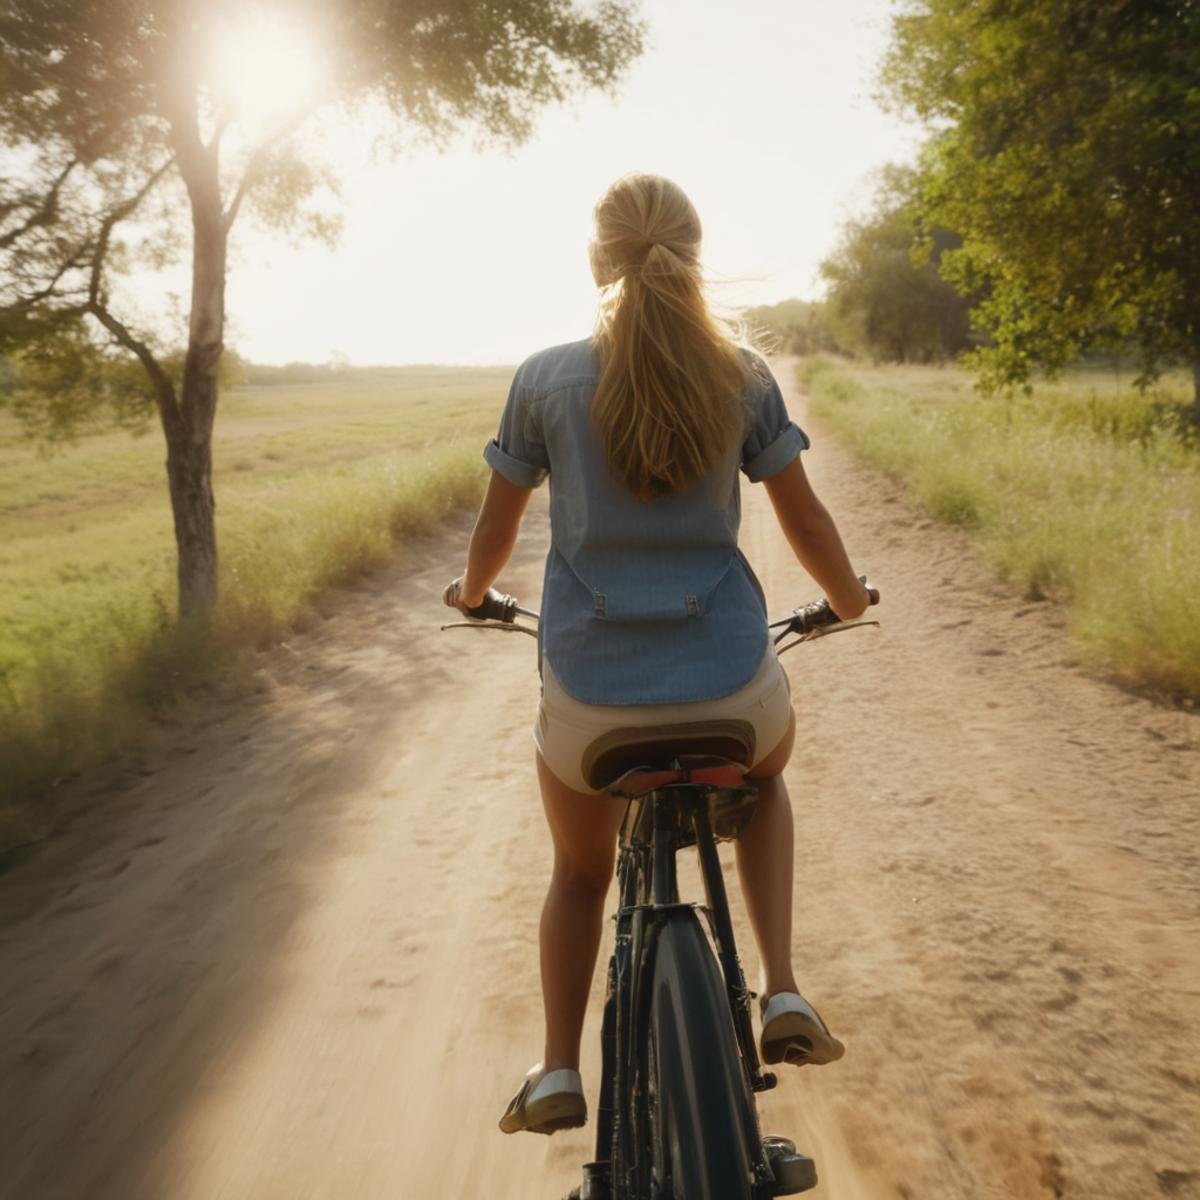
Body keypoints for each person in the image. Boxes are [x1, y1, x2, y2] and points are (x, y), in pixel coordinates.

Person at [443, 172, 874, 1137]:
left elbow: (493, 535)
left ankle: (558, 1068)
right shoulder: (745, 374)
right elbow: (802, 516)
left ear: (597, 258)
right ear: (695, 253)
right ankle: (784, 990)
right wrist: (847, 600)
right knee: (762, 787)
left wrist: (471, 598)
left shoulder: (544, 377)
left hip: (592, 706)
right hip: (729, 686)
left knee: (580, 873)